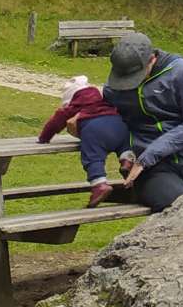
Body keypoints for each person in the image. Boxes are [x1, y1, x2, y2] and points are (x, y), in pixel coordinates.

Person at [102, 32, 183, 211]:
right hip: (152, 169)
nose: (129, 84)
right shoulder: (114, 89)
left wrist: (150, 154)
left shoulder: (182, 71)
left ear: (152, 59)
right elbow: (103, 118)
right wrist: (80, 123)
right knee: (176, 207)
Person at [36, 74, 129, 207]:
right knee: (124, 145)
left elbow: (55, 123)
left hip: (94, 129)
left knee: (93, 156)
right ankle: (127, 160)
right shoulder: (103, 100)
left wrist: (43, 138)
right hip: (118, 123)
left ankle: (99, 185)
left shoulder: (74, 106)